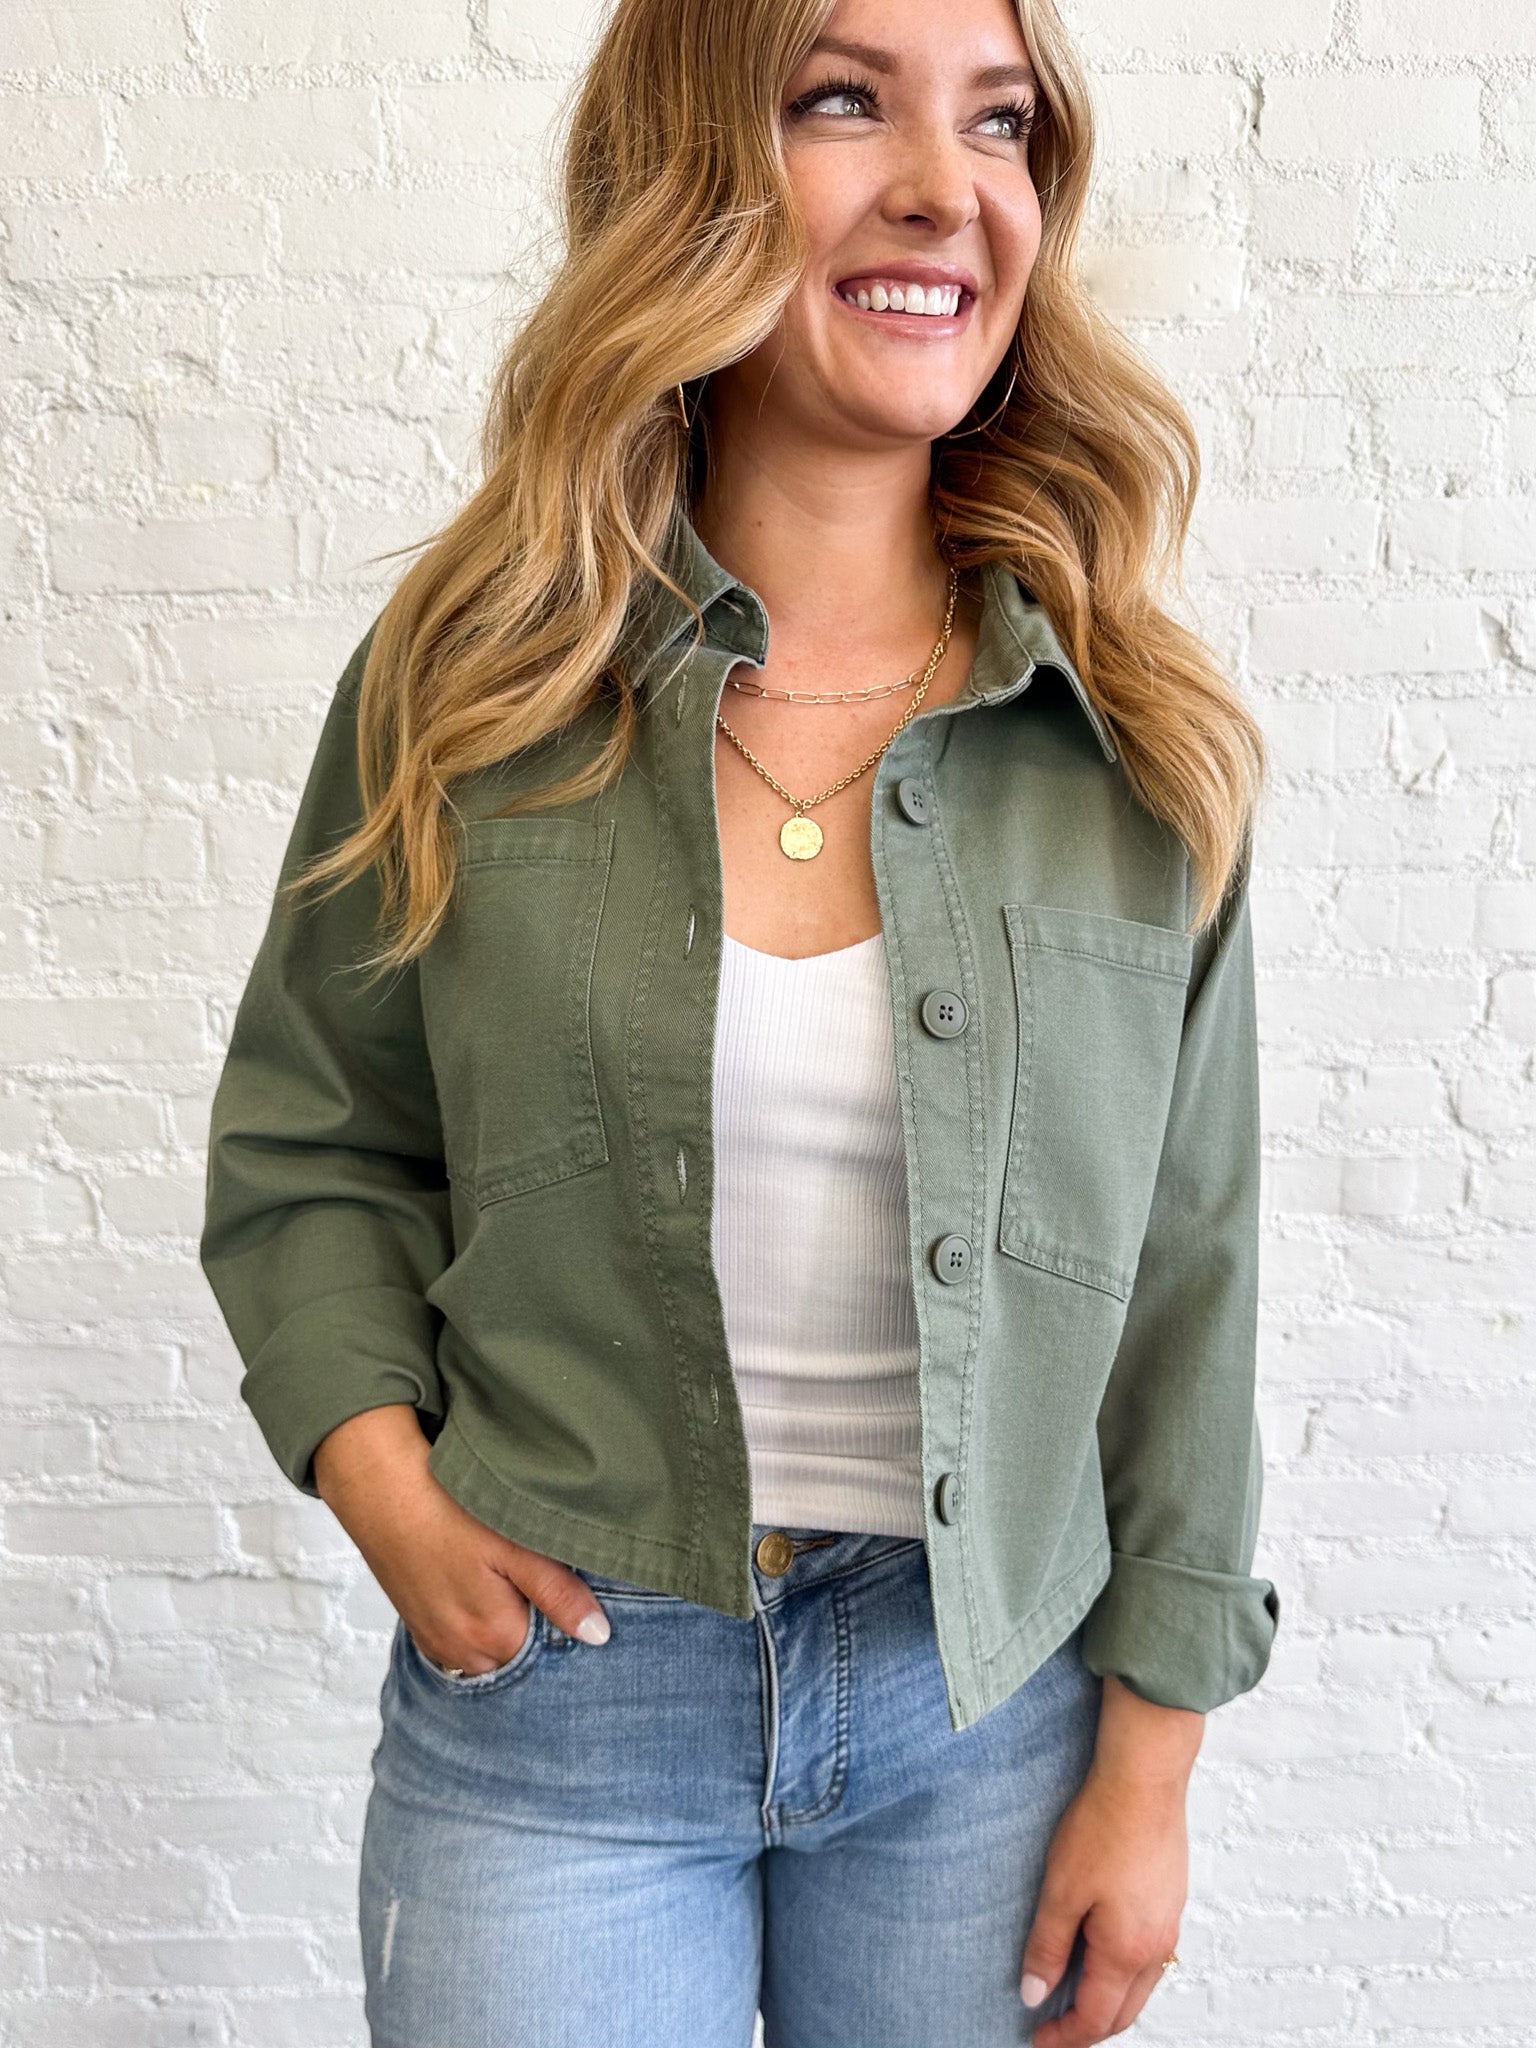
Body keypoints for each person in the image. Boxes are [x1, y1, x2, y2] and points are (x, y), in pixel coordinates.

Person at [198, 0, 1281, 2041]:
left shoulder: (1131, 742)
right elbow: (314, 1141)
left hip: (984, 1723)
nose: (948, 190)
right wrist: (387, 1491)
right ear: (689, 169)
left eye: (1003, 125)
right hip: (562, 1714)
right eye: (843, 100)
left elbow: (1189, 1278)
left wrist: (1152, 1767)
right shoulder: (469, 682)